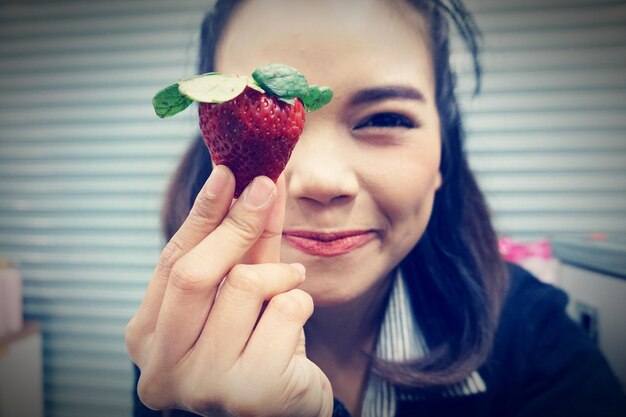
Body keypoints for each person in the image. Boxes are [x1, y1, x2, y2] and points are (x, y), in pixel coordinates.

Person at [125, 0, 626, 416]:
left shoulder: (536, 340)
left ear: (442, 157)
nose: (323, 181)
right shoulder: (178, 340)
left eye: (384, 117)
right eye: (260, 109)